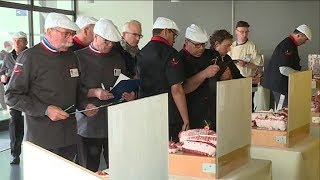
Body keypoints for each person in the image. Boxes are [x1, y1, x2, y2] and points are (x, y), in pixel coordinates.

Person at [5, 12, 86, 162]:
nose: (71, 39)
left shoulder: (71, 56)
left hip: (69, 135)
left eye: (73, 34)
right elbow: (12, 96)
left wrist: (86, 104)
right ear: (49, 32)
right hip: (43, 137)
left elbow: (77, 89)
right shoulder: (30, 57)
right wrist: (45, 110)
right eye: (66, 34)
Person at [75, 18, 136, 172]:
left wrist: (131, 94)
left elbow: (123, 81)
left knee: (116, 168)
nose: (109, 45)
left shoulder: (117, 58)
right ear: (95, 36)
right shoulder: (77, 57)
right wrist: (94, 92)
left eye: (112, 43)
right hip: (89, 123)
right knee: (89, 169)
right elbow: (70, 90)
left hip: (114, 122)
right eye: (106, 41)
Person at [136, 17, 190, 141]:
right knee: (171, 152)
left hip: (146, 112)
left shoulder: (141, 53)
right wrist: (185, 120)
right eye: (174, 35)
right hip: (166, 114)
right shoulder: (171, 54)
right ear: (165, 31)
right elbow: (176, 90)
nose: (174, 40)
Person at [178, 24, 220, 130]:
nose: (201, 48)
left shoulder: (210, 54)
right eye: (197, 45)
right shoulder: (179, 59)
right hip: (192, 110)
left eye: (203, 44)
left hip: (212, 108)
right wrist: (204, 74)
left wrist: (226, 75)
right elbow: (183, 89)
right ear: (186, 42)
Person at [263, 24, 312, 109]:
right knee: (282, 111)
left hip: (281, 84)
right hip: (280, 84)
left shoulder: (291, 44)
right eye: (305, 39)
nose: (305, 42)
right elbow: (283, 69)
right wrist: (300, 75)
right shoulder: (287, 45)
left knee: (285, 109)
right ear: (298, 35)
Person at [0, 31, 28, 164]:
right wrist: (3, 77)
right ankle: (15, 154)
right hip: (15, 96)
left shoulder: (31, 55)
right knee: (15, 123)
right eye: (15, 40)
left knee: (33, 123)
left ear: (26, 42)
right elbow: (2, 72)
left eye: (20, 40)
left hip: (30, 95)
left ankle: (37, 152)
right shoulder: (8, 57)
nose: (16, 43)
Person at [228, 21, 263, 111]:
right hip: (232, 81)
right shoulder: (230, 46)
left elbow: (258, 67)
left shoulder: (252, 47)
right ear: (236, 31)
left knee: (247, 107)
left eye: (246, 32)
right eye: (241, 32)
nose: (244, 34)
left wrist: (246, 64)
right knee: (234, 106)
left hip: (248, 81)